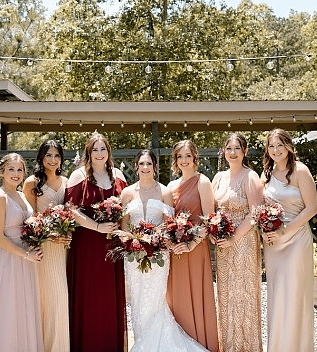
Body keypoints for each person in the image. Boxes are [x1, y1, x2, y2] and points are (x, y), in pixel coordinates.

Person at [121, 150, 209, 352]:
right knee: (137, 298)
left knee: (154, 298)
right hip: (133, 255)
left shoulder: (164, 192)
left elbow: (169, 224)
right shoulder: (126, 193)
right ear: (136, 166)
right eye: (141, 163)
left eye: (149, 164)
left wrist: (154, 239)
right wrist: (132, 241)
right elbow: (124, 225)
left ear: (155, 167)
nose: (145, 168)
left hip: (158, 254)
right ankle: (142, 341)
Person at [64, 132, 128, 352]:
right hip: (87, 246)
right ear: (88, 153)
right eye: (95, 150)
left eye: (103, 149)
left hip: (112, 245)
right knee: (89, 296)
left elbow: (126, 208)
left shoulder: (118, 175)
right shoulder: (77, 176)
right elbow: (70, 211)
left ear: (108, 151)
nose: (99, 154)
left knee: (109, 299)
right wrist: (97, 226)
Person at [0, 153, 44, 352]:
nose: (16, 174)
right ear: (2, 172)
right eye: (11, 169)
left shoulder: (21, 194)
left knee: (22, 309)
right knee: (6, 310)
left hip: (25, 258)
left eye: (20, 169)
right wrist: (26, 255)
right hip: (7, 260)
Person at [261, 128, 317, 352]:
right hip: (273, 242)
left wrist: (285, 230)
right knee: (277, 293)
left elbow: (312, 208)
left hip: (295, 239)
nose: (276, 150)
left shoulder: (300, 171)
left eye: (280, 145)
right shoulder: (265, 173)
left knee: (294, 292)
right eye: (271, 146)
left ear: (288, 147)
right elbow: (259, 207)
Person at [211, 133, 263, 352]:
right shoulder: (218, 177)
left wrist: (233, 238)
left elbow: (255, 214)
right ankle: (228, 347)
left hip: (243, 244)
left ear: (245, 152)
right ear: (224, 151)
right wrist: (213, 231)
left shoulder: (251, 177)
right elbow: (212, 212)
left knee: (243, 296)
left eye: (237, 149)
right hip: (223, 247)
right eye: (229, 149)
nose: (232, 153)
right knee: (225, 296)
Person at [166, 140, 219, 352]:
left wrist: (191, 244)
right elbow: (167, 220)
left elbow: (209, 219)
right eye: (180, 156)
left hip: (196, 249)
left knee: (197, 294)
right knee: (177, 297)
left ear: (194, 157)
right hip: (176, 250)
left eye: (188, 156)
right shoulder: (170, 187)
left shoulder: (202, 182)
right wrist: (173, 243)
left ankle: (201, 343)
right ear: (175, 160)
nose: (184, 160)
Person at [22, 140, 70, 352]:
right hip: (45, 248)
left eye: (57, 156)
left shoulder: (67, 182)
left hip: (65, 249)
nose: (53, 160)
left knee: (62, 298)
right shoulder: (32, 183)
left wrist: (68, 232)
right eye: (48, 155)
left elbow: (71, 214)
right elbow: (28, 218)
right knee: (50, 298)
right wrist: (50, 235)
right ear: (41, 157)